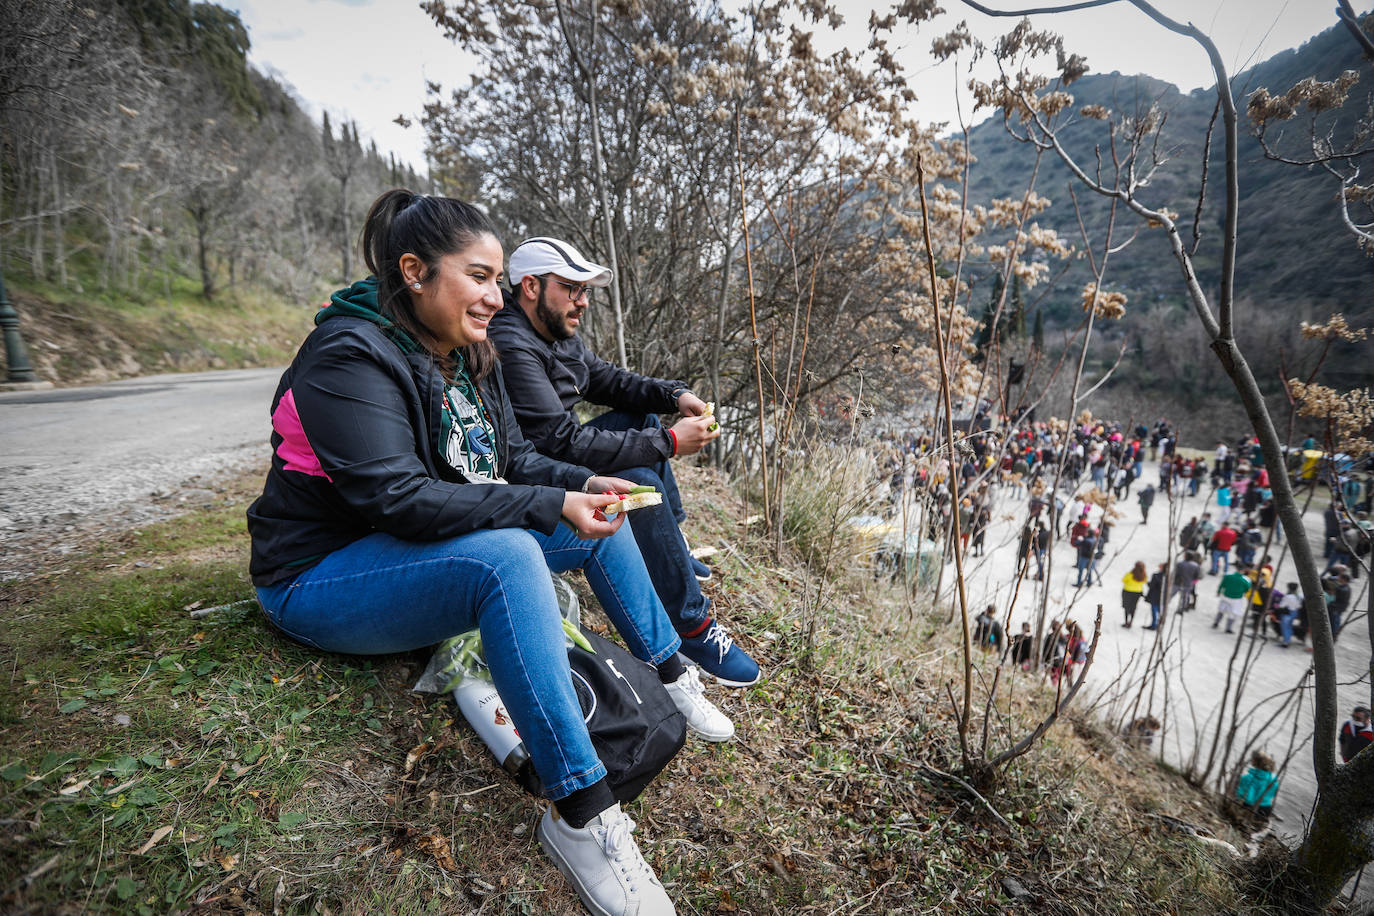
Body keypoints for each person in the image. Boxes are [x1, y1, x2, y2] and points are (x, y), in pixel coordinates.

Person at [247, 190, 732, 916]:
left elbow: (513, 459)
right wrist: (545, 502)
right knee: (507, 555)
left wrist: (580, 484)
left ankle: (669, 675)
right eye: (479, 277)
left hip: (413, 550)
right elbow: (400, 499)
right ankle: (583, 814)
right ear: (414, 272)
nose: (494, 296)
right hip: (320, 576)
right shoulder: (348, 355)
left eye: (499, 279)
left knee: (606, 504)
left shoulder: (471, 352)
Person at [490, 237, 759, 688]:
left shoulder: (555, 331)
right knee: (635, 479)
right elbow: (564, 442)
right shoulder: (513, 345)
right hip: (542, 471)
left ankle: (670, 544)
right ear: (531, 286)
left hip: (562, 451)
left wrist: (676, 394)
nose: (583, 301)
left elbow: (610, 380)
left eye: (586, 290)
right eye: (572, 288)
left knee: (644, 416)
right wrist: (670, 442)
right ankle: (691, 627)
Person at [1235, 751, 1280, 822]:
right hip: (1266, 809)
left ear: (1254, 762)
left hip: (1252, 810)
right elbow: (1273, 794)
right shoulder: (1274, 780)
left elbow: (1248, 799)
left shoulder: (1248, 778)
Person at [1214, 566, 1253, 634]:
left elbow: (1222, 585)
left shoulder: (1228, 576)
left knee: (1221, 610)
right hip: (1236, 599)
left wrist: (1219, 592)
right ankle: (1228, 628)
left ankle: (1216, 622)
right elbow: (1247, 589)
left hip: (1226, 596)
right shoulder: (1245, 580)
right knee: (1233, 613)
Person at [1275, 582, 1303, 648]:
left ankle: (1286, 642)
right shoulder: (1299, 596)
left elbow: (1282, 605)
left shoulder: (1288, 596)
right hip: (1296, 612)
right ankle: (1288, 639)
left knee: (1285, 627)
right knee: (1289, 626)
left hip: (1288, 613)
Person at [1121, 561, 1147, 628]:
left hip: (1127, 591)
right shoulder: (1143, 575)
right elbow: (1145, 581)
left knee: (1127, 606)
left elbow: (1123, 580)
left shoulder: (1130, 574)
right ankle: (1131, 622)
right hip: (1137, 593)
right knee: (1133, 607)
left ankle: (1126, 622)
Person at [1144, 562, 1167, 630]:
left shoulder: (1156, 576)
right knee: (1160, 611)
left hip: (1155, 596)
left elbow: (1151, 585)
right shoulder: (1169, 576)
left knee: (1154, 611)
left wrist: (1147, 582)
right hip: (1164, 597)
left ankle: (1154, 625)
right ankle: (1158, 624)